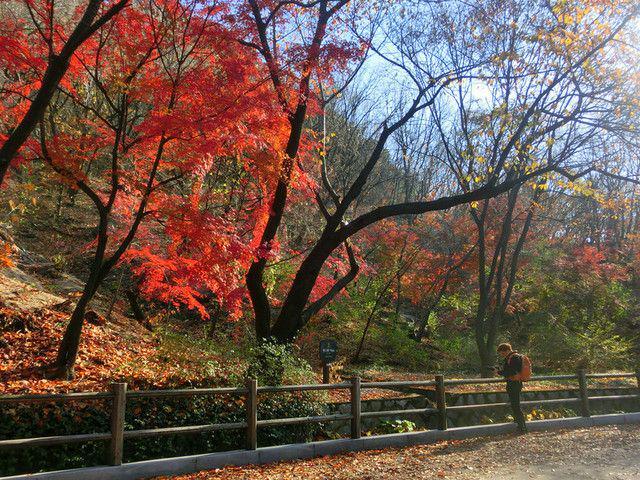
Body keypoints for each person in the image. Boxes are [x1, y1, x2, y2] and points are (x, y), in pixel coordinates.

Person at [495, 343, 527, 433]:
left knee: (516, 406)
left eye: (502, 352)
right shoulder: (514, 357)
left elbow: (512, 371)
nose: (502, 354)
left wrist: (499, 372)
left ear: (507, 350)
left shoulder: (513, 358)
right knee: (515, 405)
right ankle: (519, 424)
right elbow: (511, 370)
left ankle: (522, 428)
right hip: (515, 383)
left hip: (514, 384)